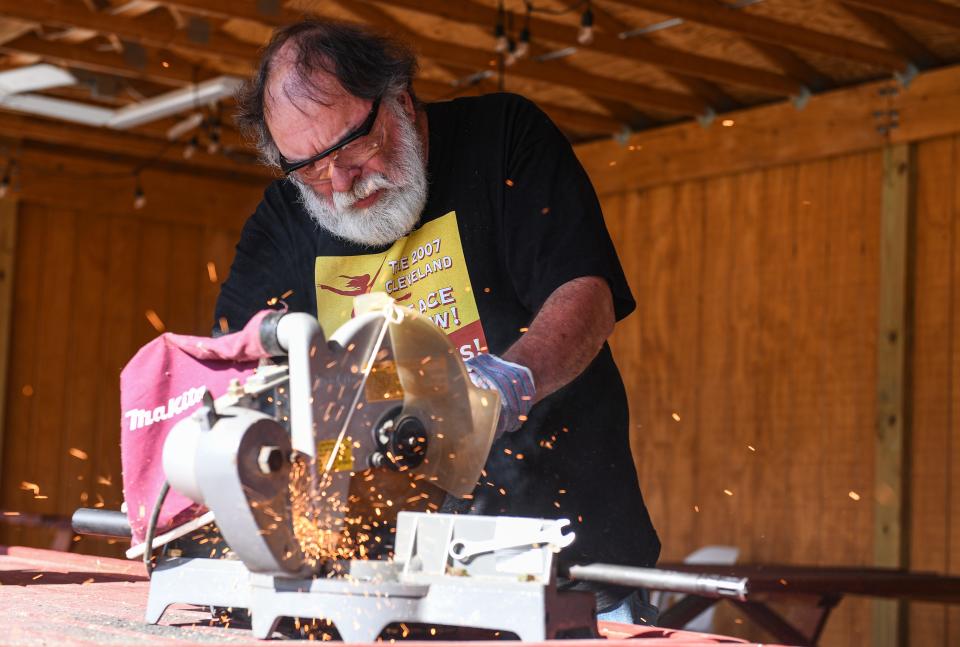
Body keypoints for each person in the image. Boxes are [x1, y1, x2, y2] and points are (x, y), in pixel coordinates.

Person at [215, 19, 660, 623]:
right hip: (372, 581)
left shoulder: (502, 137)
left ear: (399, 97)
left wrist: (511, 381)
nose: (341, 183)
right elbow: (236, 370)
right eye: (311, 169)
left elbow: (584, 289)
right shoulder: (281, 223)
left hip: (562, 561)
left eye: (353, 147)